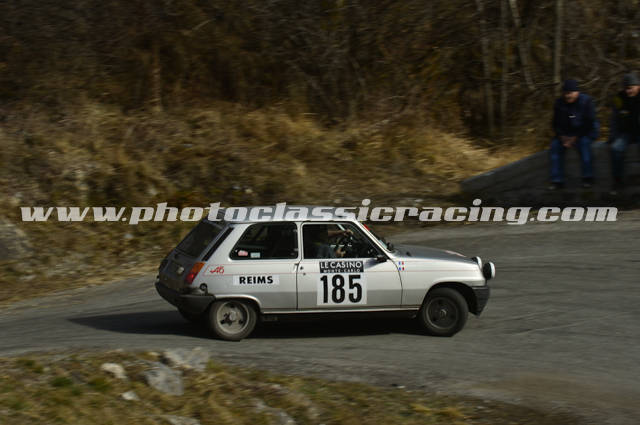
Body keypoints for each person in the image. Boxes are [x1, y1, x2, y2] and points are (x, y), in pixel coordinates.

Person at [549, 79, 599, 189]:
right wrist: (562, 137)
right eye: (565, 93)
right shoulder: (559, 103)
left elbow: (589, 123)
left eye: (570, 93)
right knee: (555, 146)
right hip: (566, 134)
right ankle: (557, 181)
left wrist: (574, 138)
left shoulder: (586, 101)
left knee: (584, 145)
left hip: (585, 132)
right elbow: (555, 123)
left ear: (577, 92)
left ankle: (588, 178)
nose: (567, 96)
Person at [608, 72, 640, 193]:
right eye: (626, 88)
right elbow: (614, 119)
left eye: (630, 88)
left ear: (638, 86)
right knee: (615, 148)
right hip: (626, 132)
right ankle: (617, 181)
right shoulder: (619, 98)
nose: (628, 91)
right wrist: (613, 136)